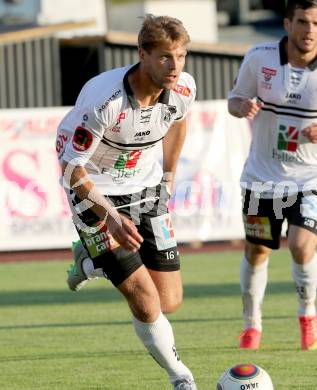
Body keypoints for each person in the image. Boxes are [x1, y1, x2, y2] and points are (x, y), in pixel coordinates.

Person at [56, 14, 197, 390]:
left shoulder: (183, 88)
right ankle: (181, 377)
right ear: (143, 54)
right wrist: (112, 217)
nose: (175, 66)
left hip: (147, 189)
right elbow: (71, 168)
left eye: (181, 56)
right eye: (166, 57)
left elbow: (179, 120)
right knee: (145, 300)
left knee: (170, 301)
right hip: (94, 193)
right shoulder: (104, 101)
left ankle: (90, 261)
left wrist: (169, 173)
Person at [228, 0, 317, 351]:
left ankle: (307, 314)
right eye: (303, 22)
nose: (310, 30)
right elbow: (233, 100)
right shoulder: (259, 57)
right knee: (257, 252)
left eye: (315, 23)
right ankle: (252, 325)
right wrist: (243, 108)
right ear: (287, 23)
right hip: (261, 179)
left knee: (300, 245)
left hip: (309, 179)